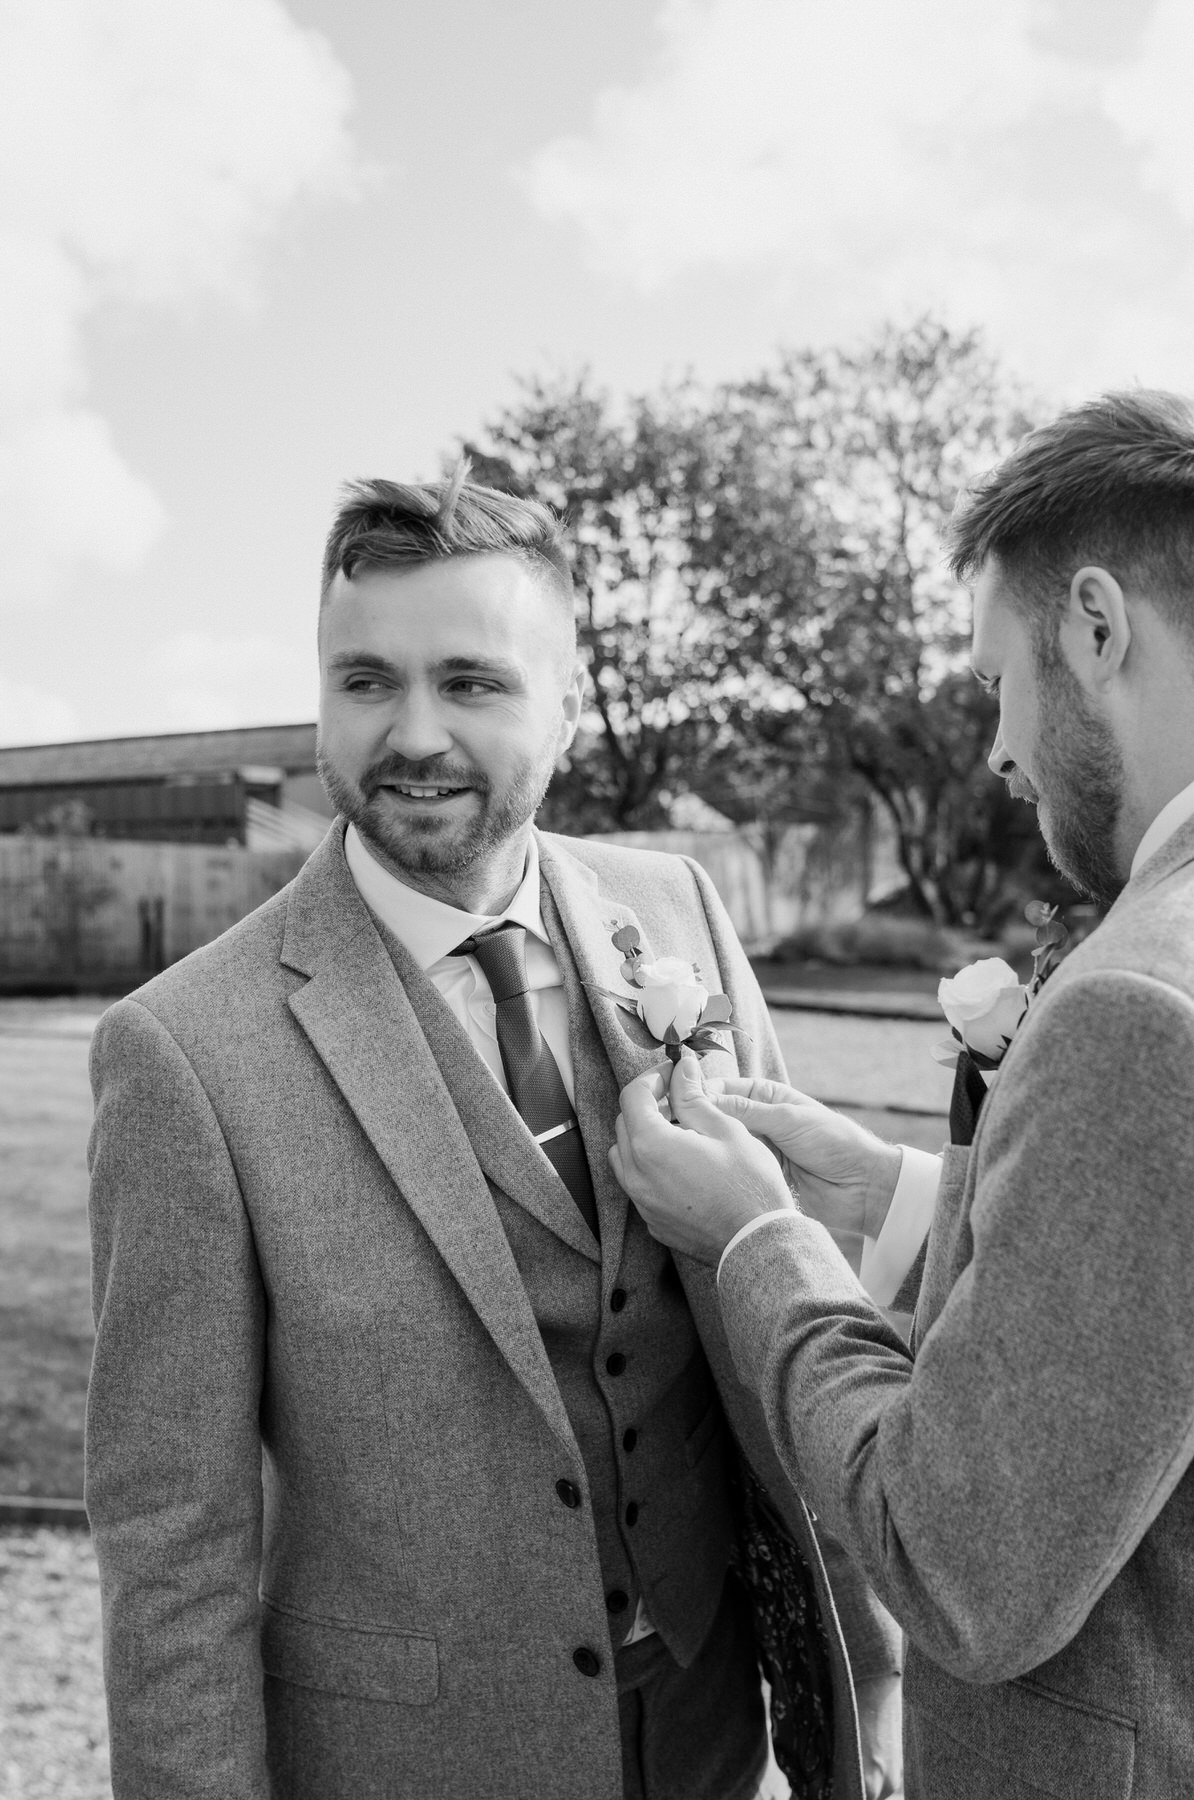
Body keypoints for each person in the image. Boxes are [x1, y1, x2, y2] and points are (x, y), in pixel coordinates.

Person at [86, 464, 902, 1800]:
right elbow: (173, 1542)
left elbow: (777, 1321)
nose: (412, 734)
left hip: (714, 1729)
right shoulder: (185, 1052)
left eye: (469, 681)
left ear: (567, 712)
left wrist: (865, 1680)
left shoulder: (679, 909)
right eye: (365, 682)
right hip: (412, 1755)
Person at [612, 389, 1194, 1800]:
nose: (996, 749)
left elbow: (964, 1566)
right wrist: (885, 1191)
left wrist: (765, 1240)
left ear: (1099, 625)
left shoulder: (1140, 1004)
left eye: (997, 677)